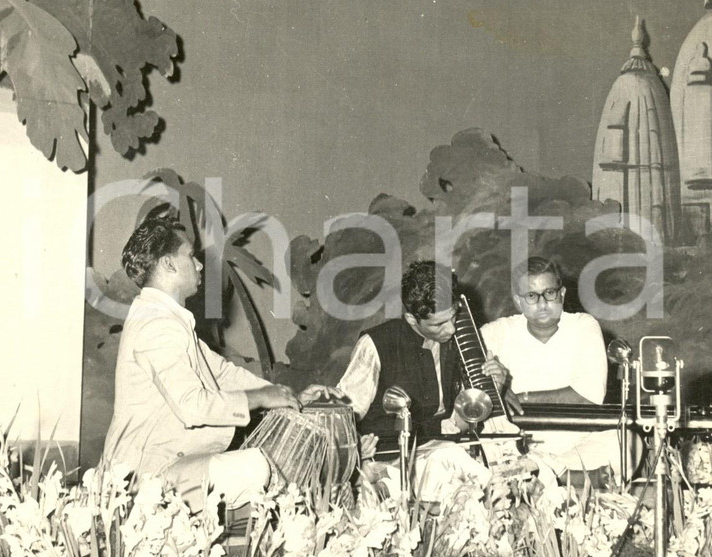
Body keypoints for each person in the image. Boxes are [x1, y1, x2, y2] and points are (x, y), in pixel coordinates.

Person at [101, 207, 331, 511]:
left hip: (163, 466)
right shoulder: (157, 326)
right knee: (254, 466)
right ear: (168, 264)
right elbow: (192, 406)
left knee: (255, 466)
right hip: (143, 480)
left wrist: (287, 395)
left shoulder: (165, 319)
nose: (198, 264)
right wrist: (261, 397)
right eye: (190, 256)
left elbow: (221, 372)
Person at [335, 260, 507, 501]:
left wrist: (491, 388)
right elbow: (340, 417)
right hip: (389, 458)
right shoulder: (377, 344)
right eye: (438, 324)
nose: (451, 329)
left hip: (443, 450)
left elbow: (464, 419)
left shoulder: (459, 338)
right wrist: (355, 451)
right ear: (412, 319)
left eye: (454, 316)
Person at [480, 256, 626, 484]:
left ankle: (539, 471)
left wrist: (521, 397)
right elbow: (470, 387)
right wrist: (495, 390)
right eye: (531, 296)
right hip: (516, 445)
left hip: (577, 446)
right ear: (518, 302)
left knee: (626, 444)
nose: (542, 303)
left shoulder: (583, 326)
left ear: (562, 294)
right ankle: (562, 475)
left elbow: (591, 395)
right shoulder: (497, 332)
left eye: (549, 293)